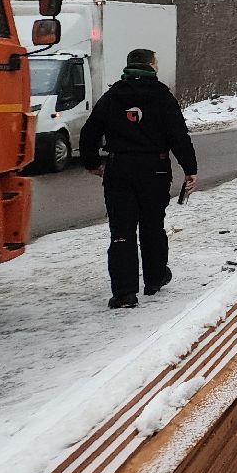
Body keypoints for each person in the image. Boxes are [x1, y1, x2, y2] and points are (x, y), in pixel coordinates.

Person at [81, 49, 199, 308]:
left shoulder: (112, 96)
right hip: (154, 169)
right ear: (151, 67)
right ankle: (155, 278)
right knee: (152, 225)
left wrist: (91, 163)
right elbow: (178, 136)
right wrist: (190, 168)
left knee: (121, 231)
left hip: (119, 169)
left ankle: (124, 293)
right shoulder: (162, 97)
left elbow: (89, 132)